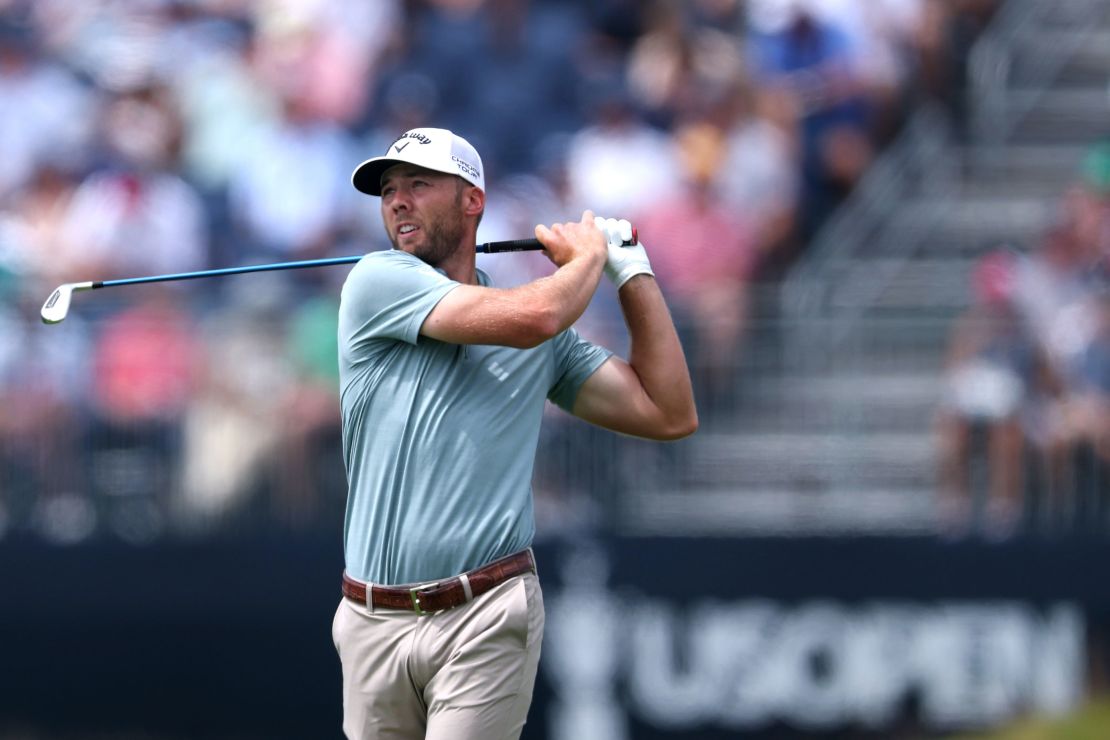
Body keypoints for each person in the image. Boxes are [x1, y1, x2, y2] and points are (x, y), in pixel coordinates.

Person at [332, 127, 697, 740]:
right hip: (372, 620)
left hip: (486, 612)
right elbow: (539, 314)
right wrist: (587, 259)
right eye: (389, 190)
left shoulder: (541, 341)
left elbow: (668, 412)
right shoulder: (377, 282)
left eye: (419, 185)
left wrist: (632, 272)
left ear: (472, 200)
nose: (397, 201)